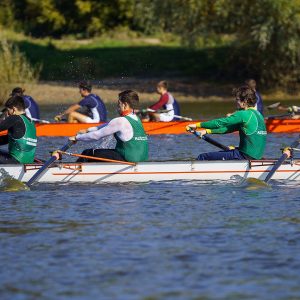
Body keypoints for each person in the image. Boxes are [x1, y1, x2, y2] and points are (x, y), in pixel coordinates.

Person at [186, 85, 267, 160]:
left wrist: (197, 125)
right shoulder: (258, 114)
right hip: (255, 157)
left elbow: (220, 123)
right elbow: (228, 129)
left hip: (244, 156)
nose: (236, 102)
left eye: (237, 100)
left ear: (245, 101)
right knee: (229, 151)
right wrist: (207, 131)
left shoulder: (243, 114)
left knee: (202, 157)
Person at [69, 90, 148, 163]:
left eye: (118, 104)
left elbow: (96, 136)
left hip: (127, 159)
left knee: (88, 153)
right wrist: (88, 130)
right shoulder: (136, 119)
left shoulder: (120, 121)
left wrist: (77, 138)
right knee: (103, 153)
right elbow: (107, 125)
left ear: (125, 105)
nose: (117, 107)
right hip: (142, 159)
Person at [0, 95, 37, 164]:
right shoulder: (31, 122)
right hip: (29, 161)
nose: (7, 114)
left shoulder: (15, 118)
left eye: (8, 111)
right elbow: (7, 139)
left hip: (16, 161)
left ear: (14, 109)